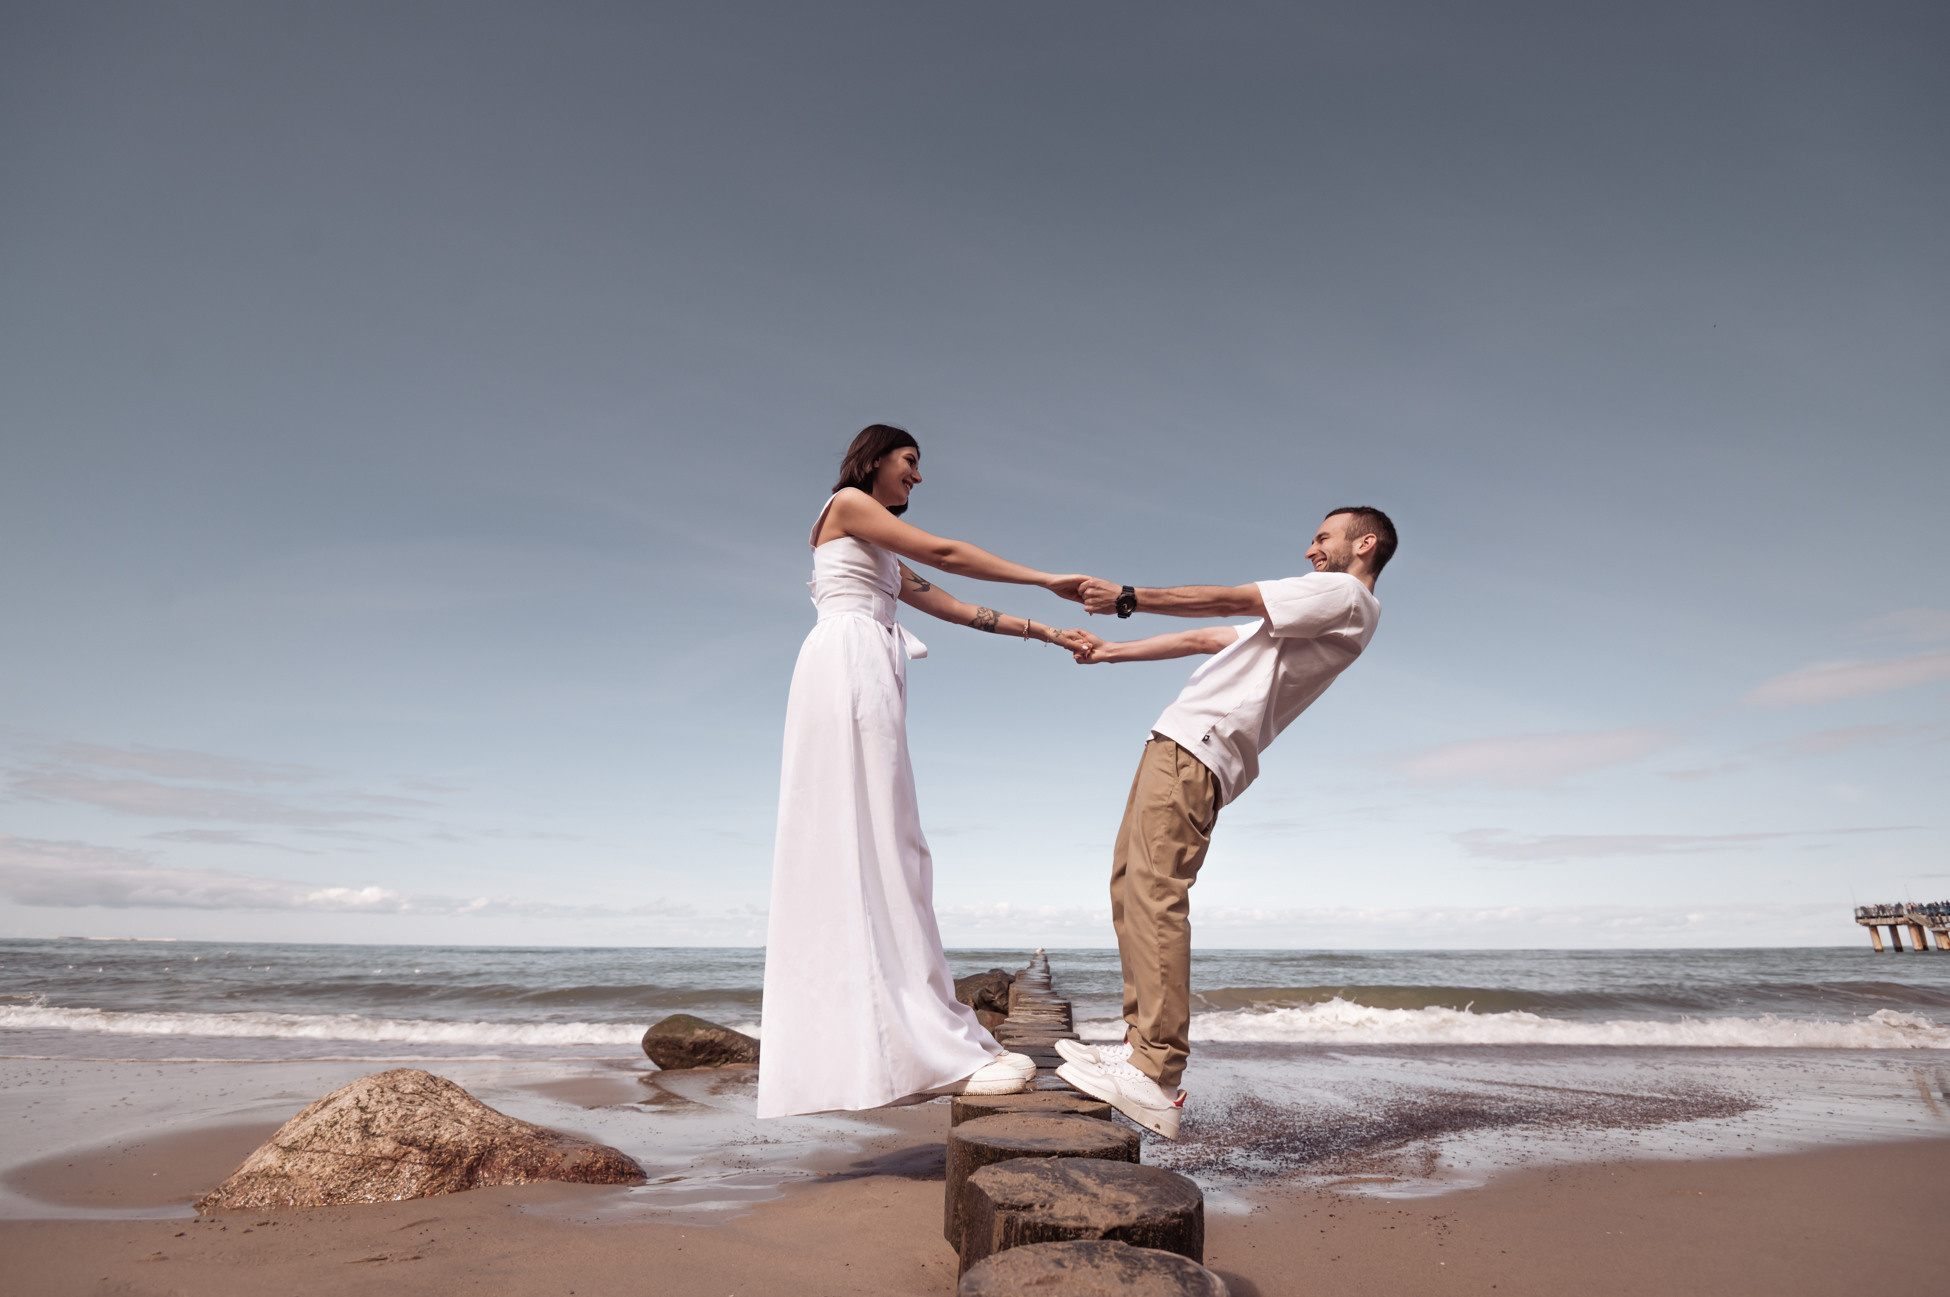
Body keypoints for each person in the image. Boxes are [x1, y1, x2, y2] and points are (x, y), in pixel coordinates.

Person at [758, 424, 1092, 1119]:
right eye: (910, 462)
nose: (917, 477)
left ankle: (907, 1038)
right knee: (879, 844)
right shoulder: (846, 505)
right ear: (874, 458)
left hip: (867, 666)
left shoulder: (875, 546)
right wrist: (1047, 577)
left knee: (896, 848)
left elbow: (953, 606)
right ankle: (918, 1048)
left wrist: (1045, 630)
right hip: (847, 668)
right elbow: (944, 551)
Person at [1051, 507, 1396, 1138]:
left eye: (1323, 537)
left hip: (1198, 746)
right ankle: (1138, 1055)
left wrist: (1129, 597)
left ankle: (1156, 1072)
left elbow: (1222, 599)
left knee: (1154, 894)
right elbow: (1210, 637)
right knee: (1130, 888)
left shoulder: (1344, 595)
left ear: (1364, 544)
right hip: (1180, 740)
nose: (1311, 549)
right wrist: (1114, 654)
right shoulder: (1311, 616)